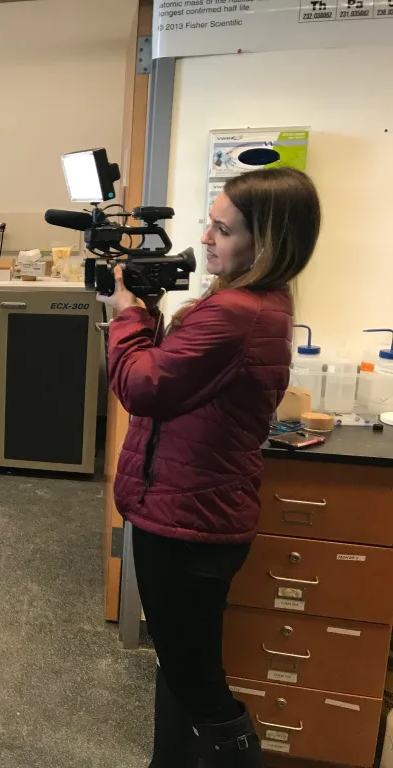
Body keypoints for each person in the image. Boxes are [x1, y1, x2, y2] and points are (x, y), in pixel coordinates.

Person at [99, 167, 321, 767]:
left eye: (222, 230)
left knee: (200, 685)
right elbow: (178, 378)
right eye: (210, 223)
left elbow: (143, 385)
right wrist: (148, 312)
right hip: (192, 509)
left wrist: (125, 313)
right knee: (182, 661)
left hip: (186, 522)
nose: (205, 238)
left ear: (266, 242)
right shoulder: (256, 304)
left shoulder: (234, 314)